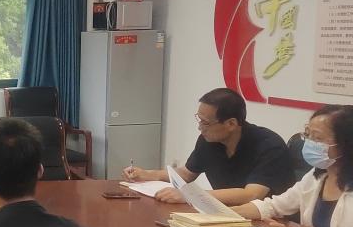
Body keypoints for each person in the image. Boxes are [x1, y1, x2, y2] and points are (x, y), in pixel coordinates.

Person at [123, 87, 293, 204]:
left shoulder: (269, 146)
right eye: (199, 120)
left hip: (271, 222)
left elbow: (251, 195)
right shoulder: (208, 140)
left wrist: (191, 195)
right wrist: (147, 174)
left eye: (205, 123)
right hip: (225, 213)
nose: (200, 127)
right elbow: (187, 173)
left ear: (231, 124)